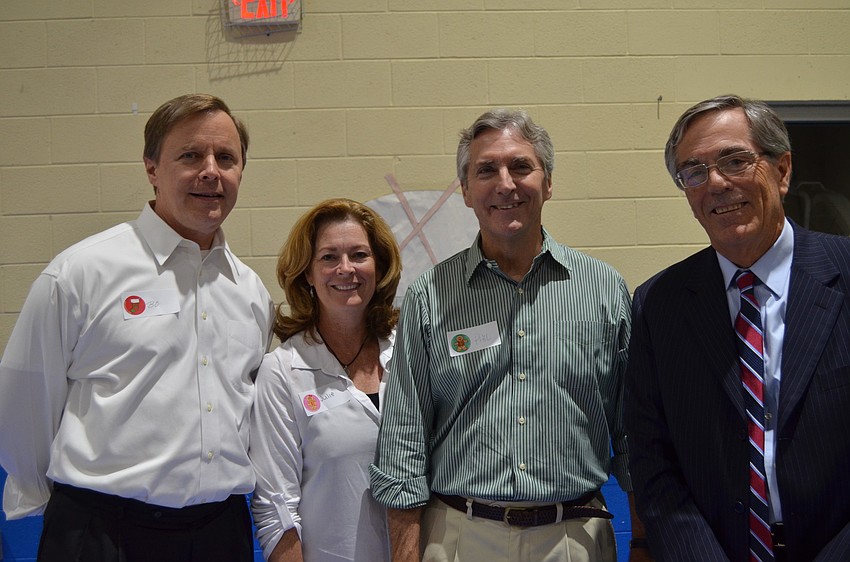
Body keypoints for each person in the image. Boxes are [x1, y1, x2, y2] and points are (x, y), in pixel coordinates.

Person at [0, 93, 275, 561]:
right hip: (102, 535)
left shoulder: (251, 292)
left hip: (220, 533)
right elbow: (25, 403)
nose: (211, 170)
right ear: (151, 169)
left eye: (226, 158)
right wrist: (66, 515)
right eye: (190, 155)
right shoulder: (82, 273)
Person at [370, 108, 648, 562]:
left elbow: (633, 431)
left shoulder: (604, 290)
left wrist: (642, 540)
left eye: (521, 166)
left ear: (549, 182)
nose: (505, 183)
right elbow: (404, 436)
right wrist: (406, 554)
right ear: (465, 190)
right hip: (458, 537)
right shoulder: (430, 295)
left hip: (573, 538)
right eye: (486, 170)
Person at [625, 94, 850, 561]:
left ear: (782, 170)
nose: (717, 183)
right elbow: (652, 460)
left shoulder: (845, 274)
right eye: (695, 171)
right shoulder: (658, 305)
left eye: (735, 160)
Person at [250, 198, 402, 561]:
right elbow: (276, 509)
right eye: (329, 257)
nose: (345, 269)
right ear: (307, 272)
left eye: (360, 255)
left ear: (378, 267)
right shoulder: (282, 371)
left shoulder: (409, 352)